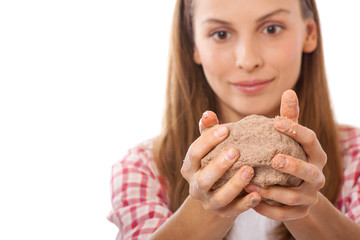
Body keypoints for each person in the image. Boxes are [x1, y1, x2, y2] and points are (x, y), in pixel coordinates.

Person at [107, 0, 360, 239]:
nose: (248, 61)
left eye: (272, 29)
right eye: (221, 34)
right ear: (193, 44)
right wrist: (207, 204)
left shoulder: (355, 156)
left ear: (309, 33)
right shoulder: (143, 168)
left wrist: (305, 202)